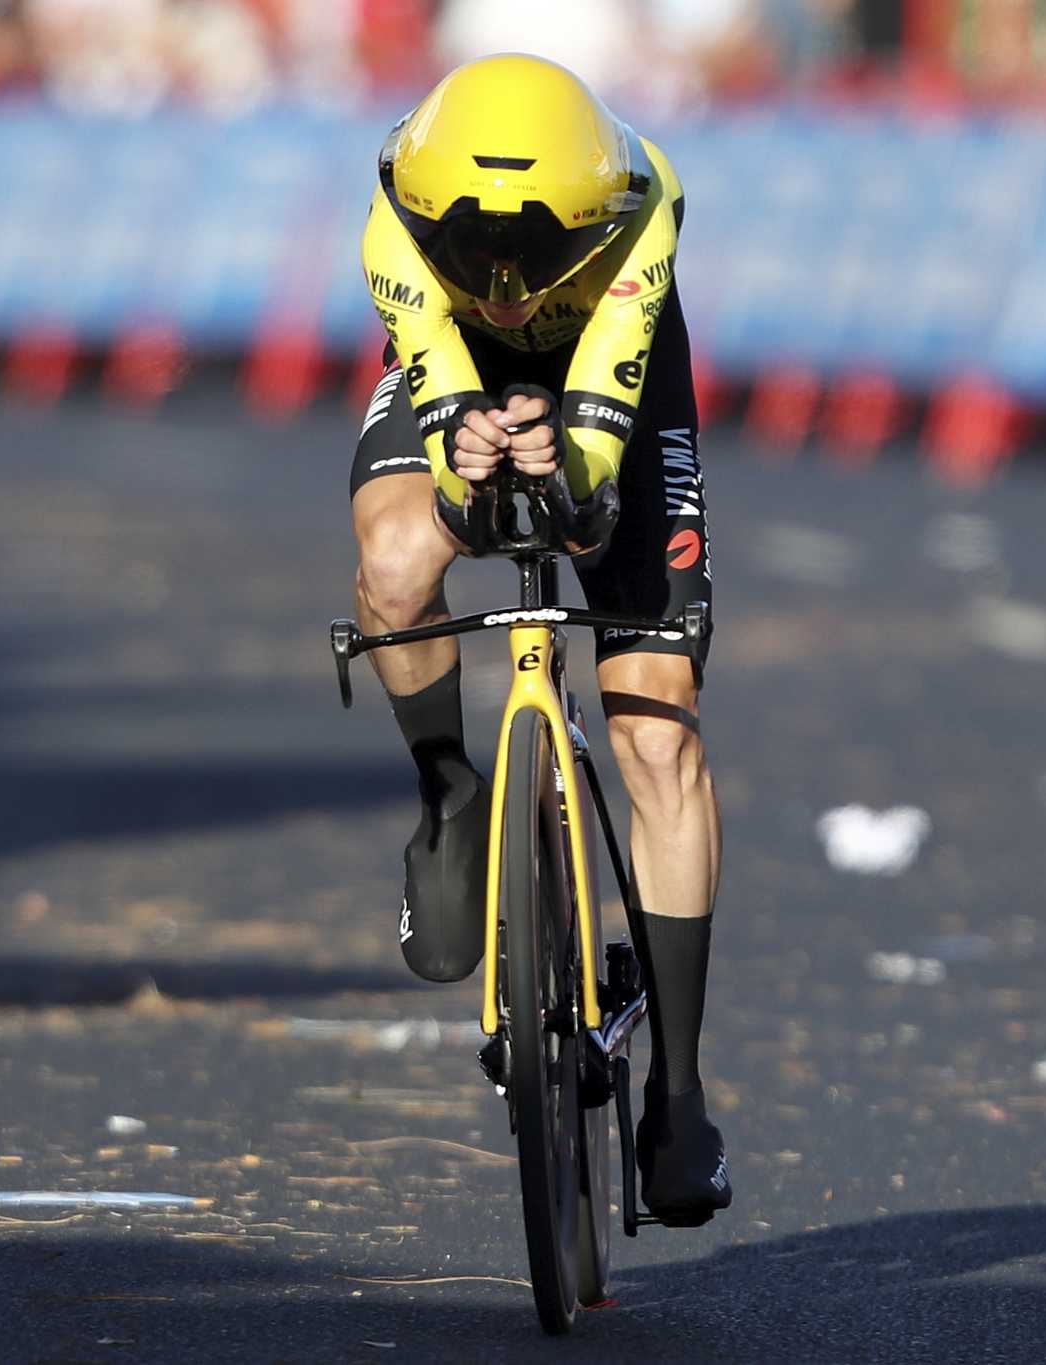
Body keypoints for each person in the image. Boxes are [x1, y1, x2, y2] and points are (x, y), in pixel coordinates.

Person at [350, 52, 728, 1225]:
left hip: (612, 367)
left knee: (657, 735)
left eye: (530, 260)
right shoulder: (391, 227)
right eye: (477, 260)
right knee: (398, 559)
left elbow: (599, 452)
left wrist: (567, 473)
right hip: (453, 371)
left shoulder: (641, 206)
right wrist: (464, 480)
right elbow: (442, 382)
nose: (505, 287)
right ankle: (451, 792)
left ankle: (677, 1088)